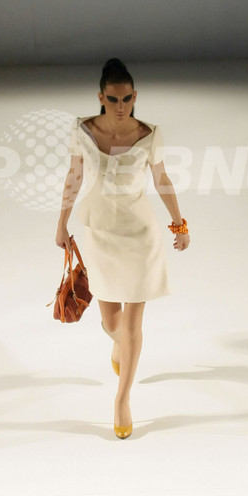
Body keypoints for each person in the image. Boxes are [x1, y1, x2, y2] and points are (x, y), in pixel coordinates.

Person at [56, 58, 190, 439]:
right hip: (100, 233)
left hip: (140, 235)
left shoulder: (149, 134)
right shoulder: (83, 130)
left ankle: (122, 399)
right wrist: (61, 223)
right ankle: (121, 348)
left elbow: (161, 179)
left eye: (127, 99)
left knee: (132, 326)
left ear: (135, 97)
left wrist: (179, 223)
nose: (121, 106)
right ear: (101, 97)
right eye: (113, 99)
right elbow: (74, 176)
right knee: (112, 323)